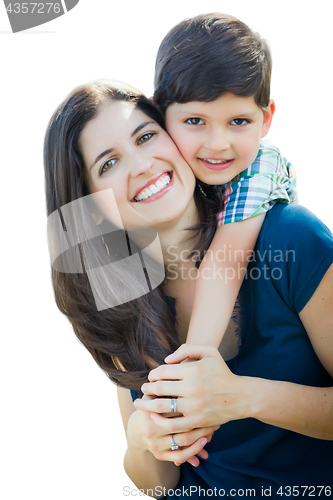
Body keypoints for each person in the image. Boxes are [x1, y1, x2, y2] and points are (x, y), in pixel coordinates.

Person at [44, 80, 333, 499]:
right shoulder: (121, 300)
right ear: (92, 208)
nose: (142, 165)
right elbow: (157, 484)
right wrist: (142, 437)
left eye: (146, 137)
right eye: (108, 164)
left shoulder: (289, 238)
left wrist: (243, 398)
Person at [153, 13, 297, 349]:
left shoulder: (260, 165)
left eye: (238, 121)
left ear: (266, 119)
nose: (218, 143)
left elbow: (227, 262)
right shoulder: (167, 173)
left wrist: (195, 358)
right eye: (194, 120)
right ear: (160, 114)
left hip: (265, 299)